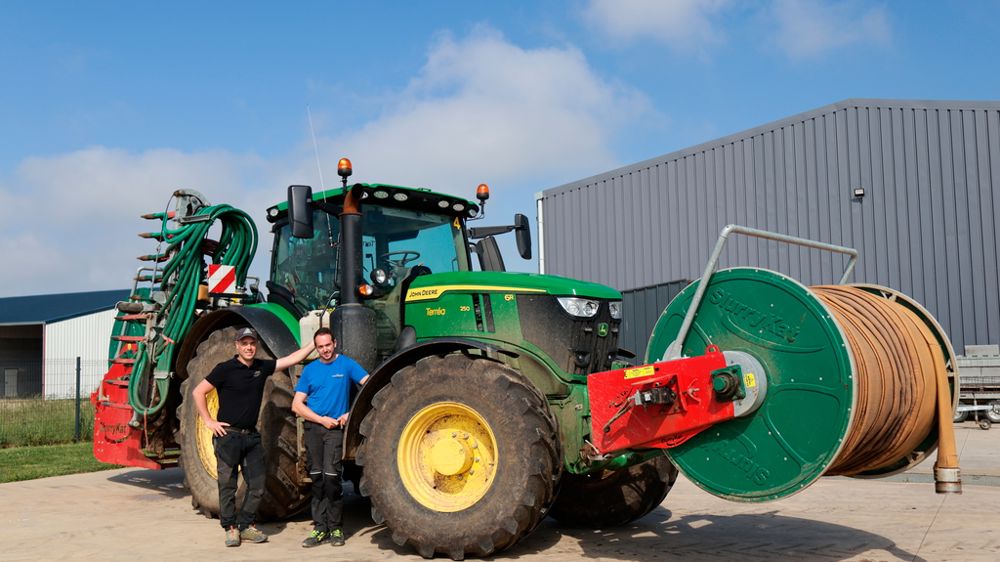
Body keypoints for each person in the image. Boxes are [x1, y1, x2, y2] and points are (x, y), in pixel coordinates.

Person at [192, 326, 316, 548]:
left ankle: (246, 525)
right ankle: (230, 527)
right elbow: (198, 392)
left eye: (252, 344)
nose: (249, 347)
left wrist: (312, 344)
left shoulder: (261, 367)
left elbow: (289, 360)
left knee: (257, 485)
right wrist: (209, 421)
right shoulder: (225, 369)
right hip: (228, 437)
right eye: (244, 343)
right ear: (237, 346)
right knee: (227, 485)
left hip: (251, 438)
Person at [291, 327, 369, 547]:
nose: (325, 350)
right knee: (316, 477)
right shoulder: (310, 370)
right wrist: (319, 419)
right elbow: (296, 405)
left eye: (328, 345)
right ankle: (319, 528)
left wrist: (350, 413)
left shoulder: (346, 365)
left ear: (334, 343)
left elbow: (370, 386)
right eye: (320, 347)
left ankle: (335, 528)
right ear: (316, 348)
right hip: (314, 428)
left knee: (332, 478)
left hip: (335, 429)